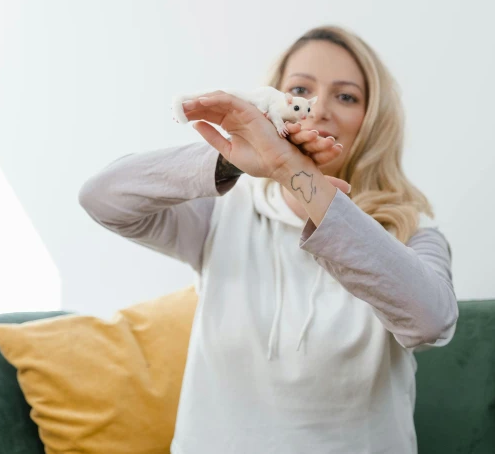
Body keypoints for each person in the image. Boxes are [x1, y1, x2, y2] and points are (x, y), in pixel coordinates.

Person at [78, 25, 458, 454]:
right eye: (300, 89)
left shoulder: (412, 235)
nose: (318, 109)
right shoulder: (223, 213)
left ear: (373, 120)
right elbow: (102, 198)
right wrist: (233, 158)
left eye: (346, 96)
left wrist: (296, 176)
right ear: (274, 104)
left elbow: (431, 323)